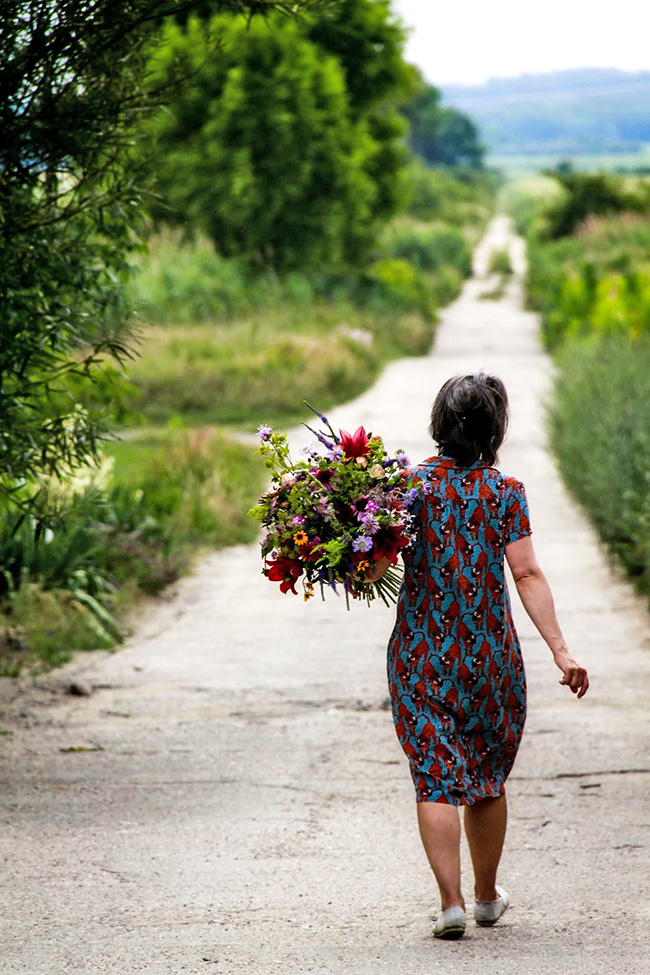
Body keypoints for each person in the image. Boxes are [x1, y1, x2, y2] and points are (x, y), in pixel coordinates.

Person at [368, 372, 589, 940]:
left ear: (439, 424)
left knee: (435, 777)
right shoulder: (505, 492)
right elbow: (527, 572)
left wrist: (343, 538)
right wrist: (561, 651)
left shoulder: (406, 491)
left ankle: (450, 904)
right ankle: (487, 897)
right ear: (496, 428)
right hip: (489, 656)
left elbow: (370, 569)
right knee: (486, 776)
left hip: (420, 653)